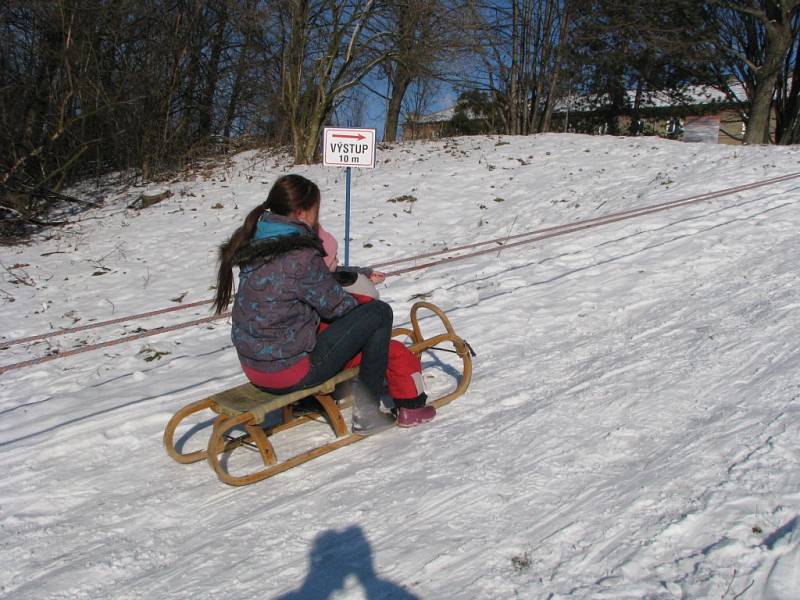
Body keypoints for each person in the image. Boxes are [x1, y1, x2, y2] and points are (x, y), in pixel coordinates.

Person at [212, 174, 433, 434]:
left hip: (253, 368)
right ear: (301, 213)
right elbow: (337, 307)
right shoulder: (299, 254)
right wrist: (360, 300)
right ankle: (368, 412)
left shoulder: (257, 241)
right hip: (288, 373)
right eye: (316, 211)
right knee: (379, 313)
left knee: (363, 319)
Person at [317, 225, 434, 426]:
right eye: (335, 258)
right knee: (395, 351)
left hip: (314, 352)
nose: (338, 262)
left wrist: (363, 274)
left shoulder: (305, 285)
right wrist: (361, 285)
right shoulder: (332, 291)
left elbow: (343, 273)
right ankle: (411, 406)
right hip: (335, 355)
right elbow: (367, 299)